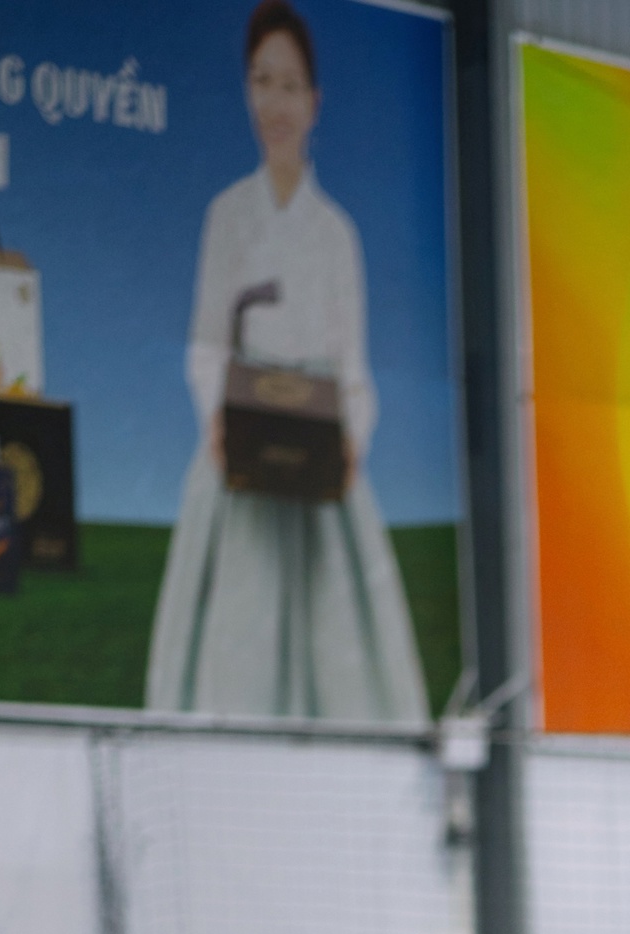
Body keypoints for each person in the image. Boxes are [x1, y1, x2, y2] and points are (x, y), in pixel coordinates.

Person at [146, 0, 427, 723]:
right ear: (247, 91)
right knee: (232, 645)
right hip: (240, 454)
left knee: (343, 661)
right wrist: (219, 421)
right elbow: (206, 344)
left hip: (316, 459)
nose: (276, 102)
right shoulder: (227, 214)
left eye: (291, 85)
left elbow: (355, 369)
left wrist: (349, 440)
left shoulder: (336, 232)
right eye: (262, 82)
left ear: (315, 102)